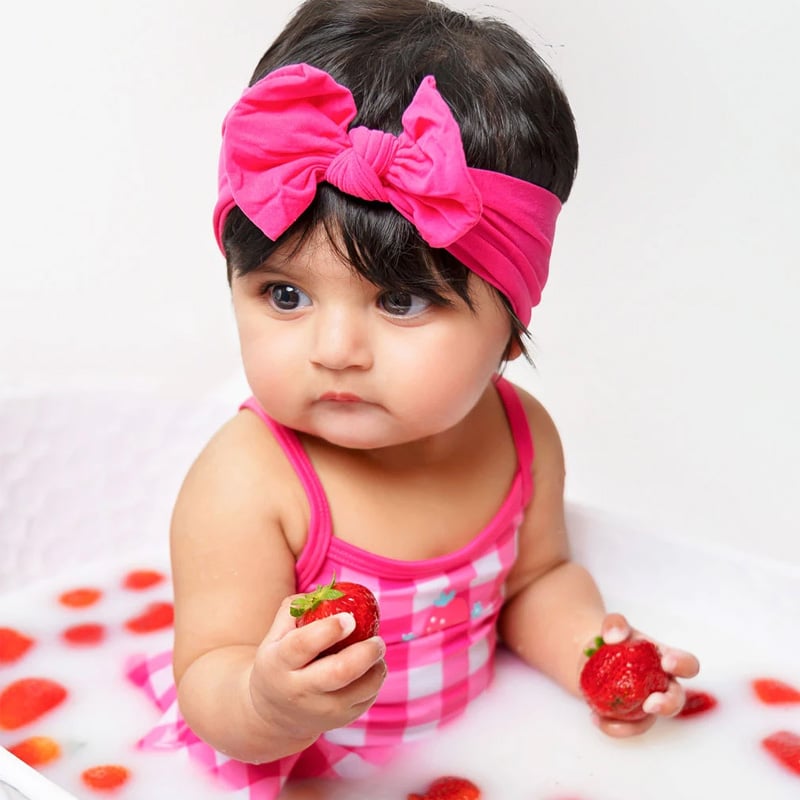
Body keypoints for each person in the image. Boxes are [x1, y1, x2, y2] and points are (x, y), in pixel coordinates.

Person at [129, 0, 699, 796]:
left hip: (458, 760)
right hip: (298, 771)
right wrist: (268, 699)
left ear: (509, 320)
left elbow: (534, 582)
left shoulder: (521, 434)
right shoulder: (250, 480)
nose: (334, 351)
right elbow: (209, 679)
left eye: (399, 301)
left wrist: (593, 657)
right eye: (286, 296)